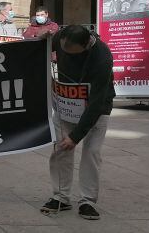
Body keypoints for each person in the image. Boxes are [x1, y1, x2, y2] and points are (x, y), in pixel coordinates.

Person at [40, 25, 114, 221]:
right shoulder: (60, 38)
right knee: (60, 150)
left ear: (86, 45)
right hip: (66, 103)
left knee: (91, 152)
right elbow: (41, 45)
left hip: (95, 107)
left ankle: (87, 201)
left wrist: (75, 136)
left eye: (73, 54)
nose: (67, 56)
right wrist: (42, 36)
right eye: (64, 51)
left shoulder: (102, 58)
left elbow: (97, 103)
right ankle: (60, 197)